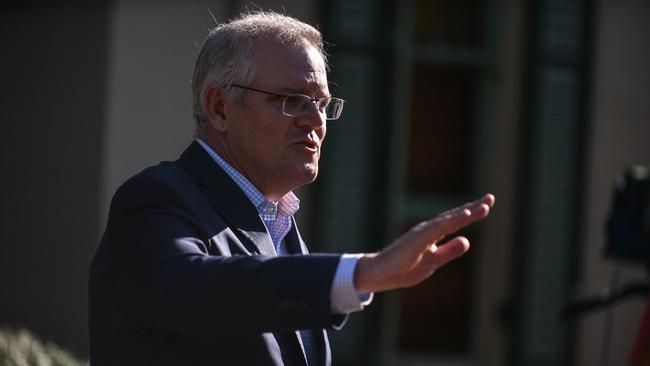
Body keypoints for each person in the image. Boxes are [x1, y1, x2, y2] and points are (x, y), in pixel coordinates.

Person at [89, 11, 495, 366]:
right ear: (219, 108)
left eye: (321, 103)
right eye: (291, 100)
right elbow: (193, 288)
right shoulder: (157, 198)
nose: (315, 121)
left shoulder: (278, 226)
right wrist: (362, 272)